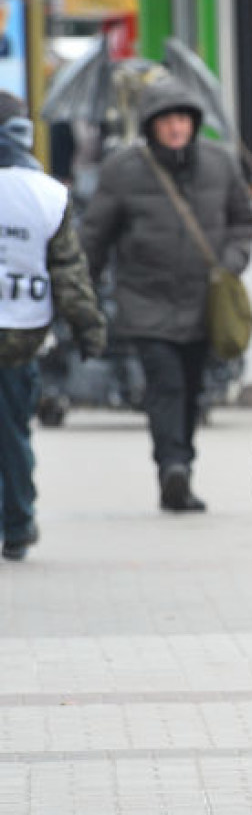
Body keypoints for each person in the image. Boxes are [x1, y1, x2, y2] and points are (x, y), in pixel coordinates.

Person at [79, 75, 252, 513]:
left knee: (194, 388)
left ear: (194, 122)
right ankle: (173, 468)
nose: (175, 126)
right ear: (150, 125)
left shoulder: (220, 163)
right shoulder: (123, 169)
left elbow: (242, 221)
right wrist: (82, 296)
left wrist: (231, 263)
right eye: (165, 119)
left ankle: (181, 464)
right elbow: (95, 236)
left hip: (205, 301)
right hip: (146, 299)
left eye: (182, 118)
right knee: (166, 386)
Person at [0, 92, 106, 561]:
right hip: (21, 333)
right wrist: (88, 328)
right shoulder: (46, 193)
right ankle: (19, 524)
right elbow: (68, 271)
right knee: (14, 432)